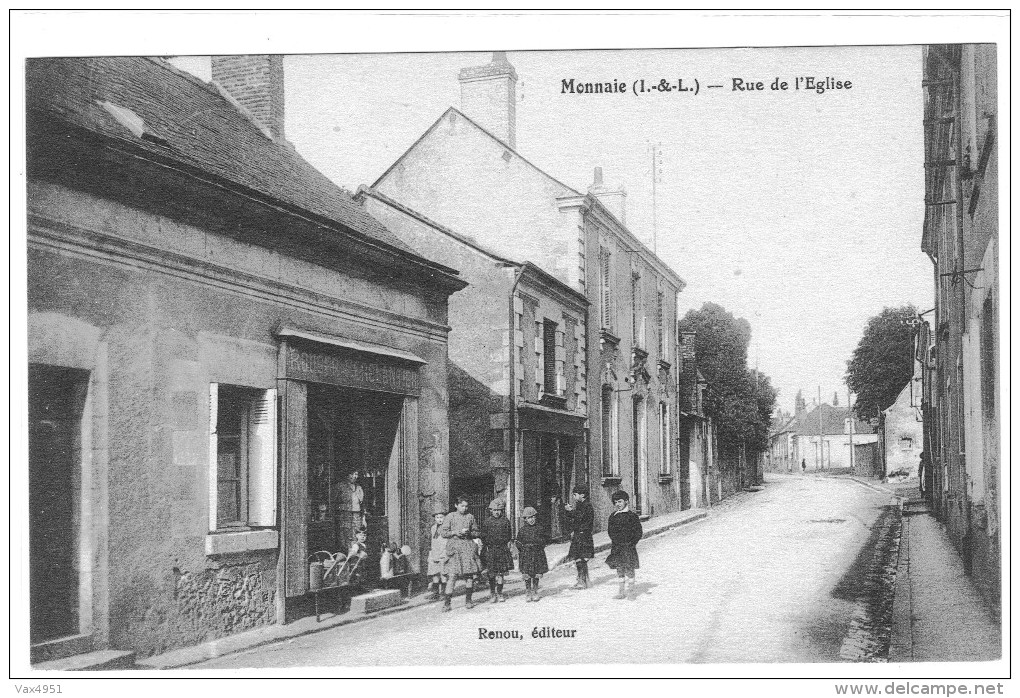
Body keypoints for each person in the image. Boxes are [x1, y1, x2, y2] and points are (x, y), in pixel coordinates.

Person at [440, 495, 483, 611]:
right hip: (454, 549)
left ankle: (468, 601)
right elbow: (443, 532)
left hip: (467, 549)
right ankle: (447, 603)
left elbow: (477, 532)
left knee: (469, 576)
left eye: (466, 506)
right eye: (462, 506)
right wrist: (455, 532)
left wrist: (470, 533)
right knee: (452, 576)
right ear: (456, 505)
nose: (464, 508)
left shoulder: (470, 517)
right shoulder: (450, 516)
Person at [606, 490, 642, 600]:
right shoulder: (613, 516)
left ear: (626, 501)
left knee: (629, 569)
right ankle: (621, 592)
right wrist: (615, 540)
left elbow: (638, 532)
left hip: (628, 547)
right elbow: (610, 531)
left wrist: (632, 543)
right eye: (616, 502)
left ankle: (631, 592)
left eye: (620, 501)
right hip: (617, 547)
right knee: (619, 568)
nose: (618, 504)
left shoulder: (632, 516)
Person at [480, 498, 513, 603]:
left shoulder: (505, 521)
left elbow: (509, 534)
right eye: (494, 510)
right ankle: (492, 593)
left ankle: (500, 592)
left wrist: (507, 544)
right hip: (491, 550)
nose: (496, 512)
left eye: (499, 510)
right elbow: (483, 536)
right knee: (491, 573)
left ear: (502, 510)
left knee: (500, 573)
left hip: (502, 550)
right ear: (491, 510)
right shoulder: (487, 522)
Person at [563, 483, 595, 589]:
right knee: (579, 558)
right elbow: (576, 518)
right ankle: (585, 580)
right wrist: (570, 512)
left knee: (581, 559)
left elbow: (581, 518)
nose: (574, 497)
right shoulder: (580, 505)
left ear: (582, 495)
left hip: (583, 536)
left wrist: (571, 511)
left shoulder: (587, 506)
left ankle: (582, 581)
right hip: (579, 535)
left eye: (575, 494)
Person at [516, 506, 549, 602]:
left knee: (536, 573)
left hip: (537, 553)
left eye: (533, 517)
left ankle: (535, 591)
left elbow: (544, 540)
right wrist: (523, 548)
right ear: (525, 519)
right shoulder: (522, 530)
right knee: (527, 574)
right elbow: (518, 542)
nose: (532, 520)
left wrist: (539, 545)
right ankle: (528, 591)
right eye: (529, 518)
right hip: (526, 554)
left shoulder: (539, 528)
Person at [425, 506, 448, 601]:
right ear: (435, 518)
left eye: (441, 517)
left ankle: (443, 593)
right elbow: (432, 541)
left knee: (443, 574)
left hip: (443, 553)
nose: (439, 519)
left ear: (445, 518)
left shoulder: (447, 528)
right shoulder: (433, 528)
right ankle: (435, 593)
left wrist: (446, 553)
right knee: (435, 574)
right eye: (437, 517)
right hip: (434, 553)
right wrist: (431, 553)